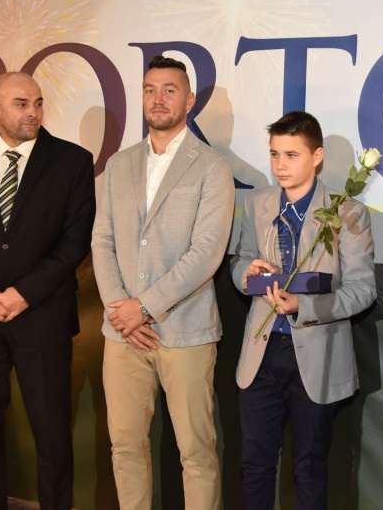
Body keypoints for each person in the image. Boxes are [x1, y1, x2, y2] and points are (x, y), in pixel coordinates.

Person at [0, 71, 96, 509]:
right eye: (21, 104)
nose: (33, 112)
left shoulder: (72, 161)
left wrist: (23, 293)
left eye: (38, 103)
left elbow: (74, 242)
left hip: (42, 320)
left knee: (53, 437)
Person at [91, 56, 234, 510]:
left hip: (185, 330)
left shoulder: (212, 167)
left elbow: (206, 253)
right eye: (150, 89)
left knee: (196, 453)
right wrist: (121, 309)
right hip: (122, 333)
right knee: (124, 447)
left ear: (189, 100)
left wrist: (145, 307)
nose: (158, 99)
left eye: (169, 90)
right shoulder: (118, 165)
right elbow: (102, 240)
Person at [230, 111, 376, 510]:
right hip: (260, 354)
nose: (280, 165)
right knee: (254, 464)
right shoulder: (258, 203)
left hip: (316, 355)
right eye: (275, 154)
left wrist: (303, 306)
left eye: (291, 155)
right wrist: (246, 273)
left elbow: (363, 290)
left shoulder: (347, 211)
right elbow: (240, 262)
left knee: (309, 467)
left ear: (317, 156)